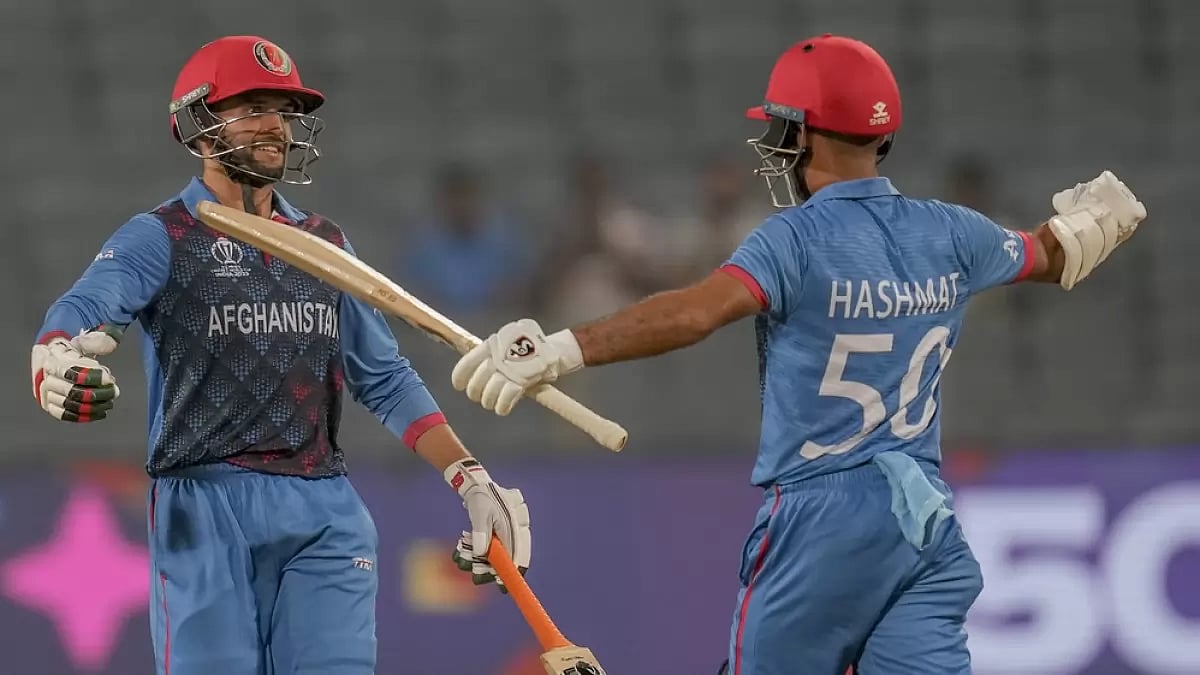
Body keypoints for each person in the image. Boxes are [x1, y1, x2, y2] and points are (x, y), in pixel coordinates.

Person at [448, 34, 1146, 675]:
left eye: (780, 128)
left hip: (821, 522)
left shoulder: (794, 240)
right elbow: (1051, 254)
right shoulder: (954, 233)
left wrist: (560, 347)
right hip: (923, 526)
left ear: (804, 133)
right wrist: (1094, 223)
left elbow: (694, 312)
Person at [28, 35, 531, 675]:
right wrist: (55, 354)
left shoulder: (324, 243)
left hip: (324, 509)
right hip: (204, 505)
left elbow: (384, 378)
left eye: (285, 110)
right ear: (198, 122)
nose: (276, 126)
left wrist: (470, 477)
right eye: (253, 107)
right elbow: (81, 308)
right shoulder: (163, 235)